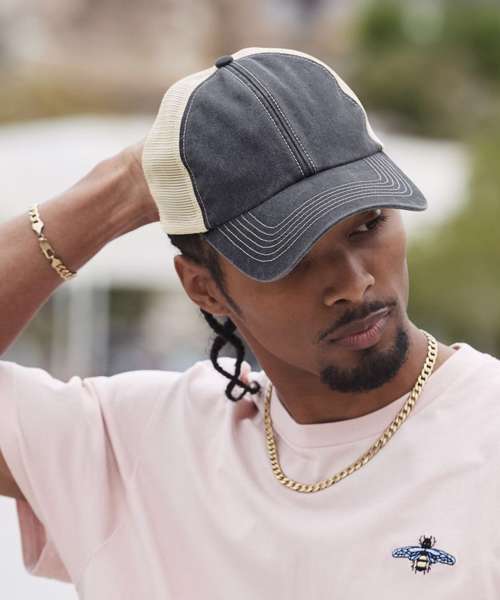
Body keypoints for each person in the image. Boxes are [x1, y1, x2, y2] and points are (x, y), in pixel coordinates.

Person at [1, 47, 499, 599]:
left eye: (367, 225)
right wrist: (123, 187)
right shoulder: (143, 449)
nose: (354, 284)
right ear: (204, 288)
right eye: (293, 257)